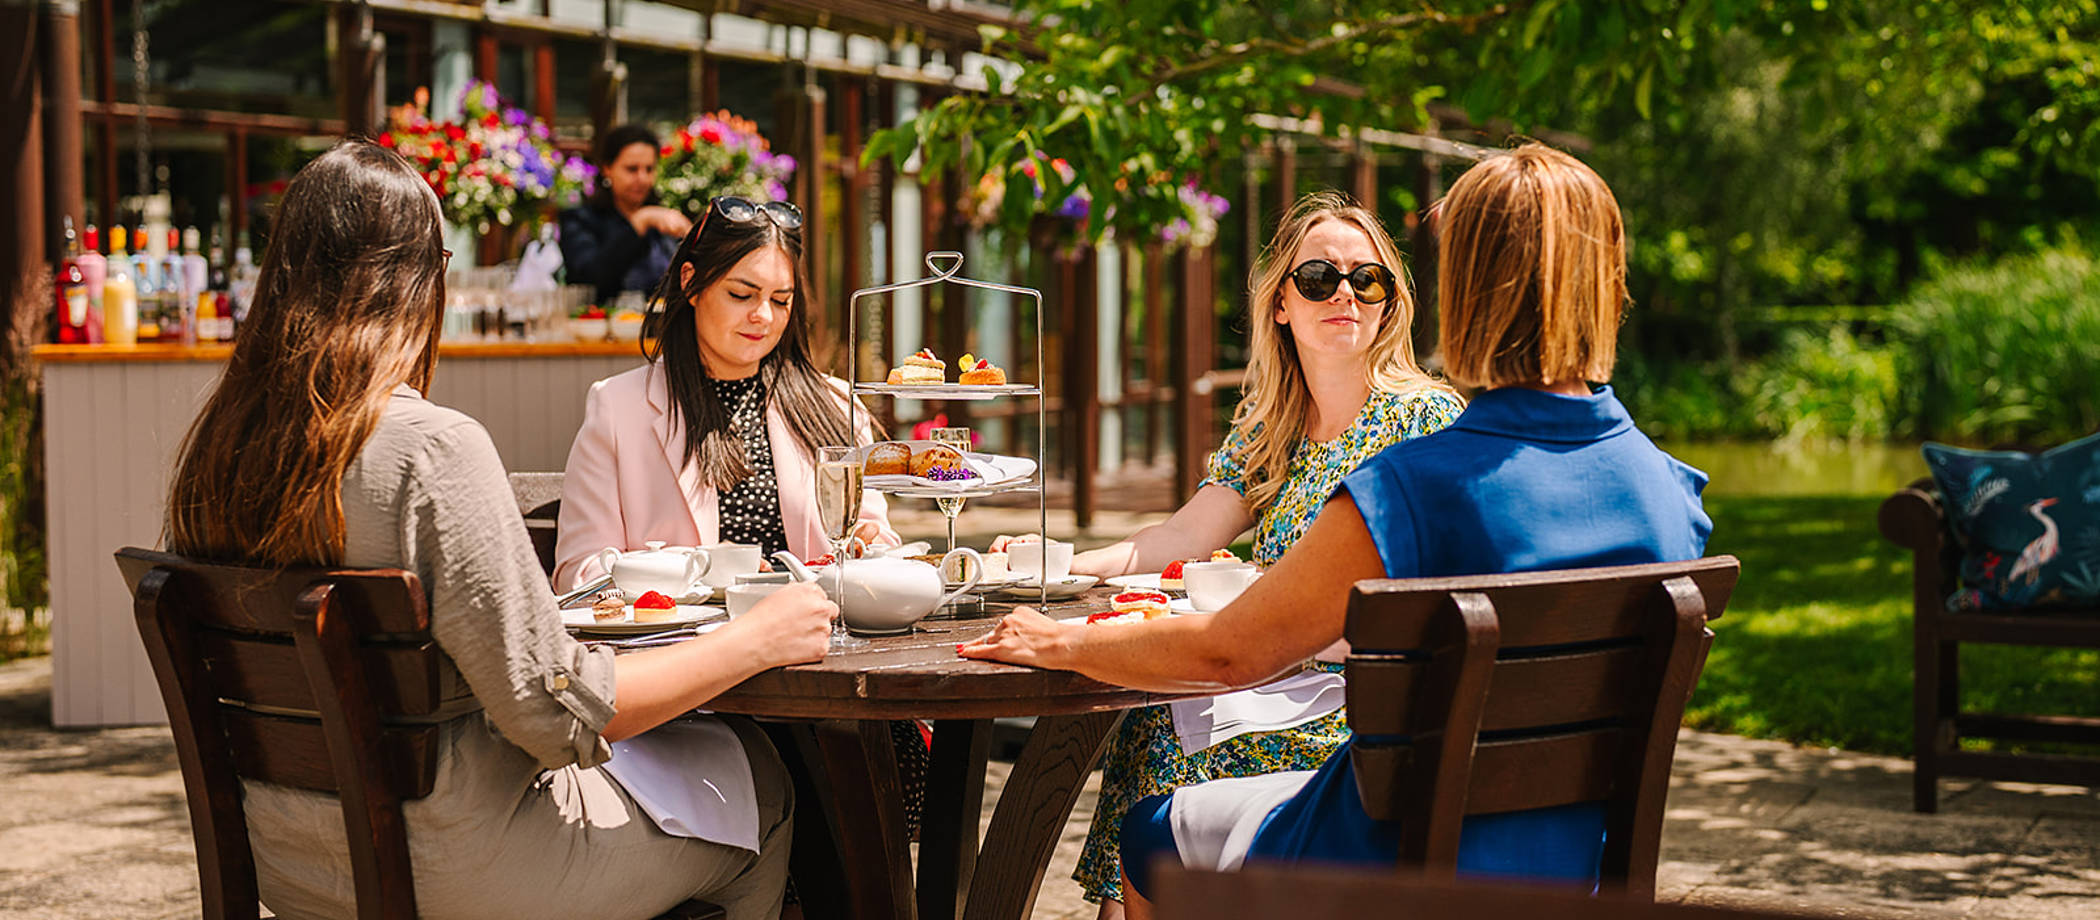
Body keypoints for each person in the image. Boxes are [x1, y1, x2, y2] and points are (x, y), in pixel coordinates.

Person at [959, 143, 1713, 920]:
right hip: (1572, 869)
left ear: (1469, 289)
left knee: (1150, 831)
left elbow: (1227, 653)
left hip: (1395, 849)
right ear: (1609, 284)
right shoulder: (1672, 494)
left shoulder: (1414, 483)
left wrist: (1060, 642)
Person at [164, 140, 837, 920]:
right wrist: (754, 640)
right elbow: (558, 716)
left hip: (280, 857)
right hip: (452, 859)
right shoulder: (432, 452)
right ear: (422, 280)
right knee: (757, 788)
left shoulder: (212, 452)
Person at [998, 191, 1463, 917]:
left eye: (1367, 280)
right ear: (1281, 304)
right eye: (1319, 278)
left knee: (1166, 733)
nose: (1344, 294)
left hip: (1362, 705)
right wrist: (1062, 563)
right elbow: (1179, 538)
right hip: (1274, 679)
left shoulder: (1421, 418)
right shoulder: (1273, 425)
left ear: (1389, 304)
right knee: (1155, 717)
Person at [554, 194, 901, 591]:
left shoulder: (835, 405)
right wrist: (705, 577)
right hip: (689, 631)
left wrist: (866, 551)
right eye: (741, 295)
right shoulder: (619, 407)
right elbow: (579, 574)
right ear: (691, 282)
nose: (763, 316)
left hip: (816, 625)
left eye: (781, 300)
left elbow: (881, 546)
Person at [560, 124, 693, 304]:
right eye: (632, 169)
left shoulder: (663, 219)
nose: (642, 178)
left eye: (649, 169)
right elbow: (588, 279)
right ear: (607, 168)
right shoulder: (580, 220)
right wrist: (638, 223)